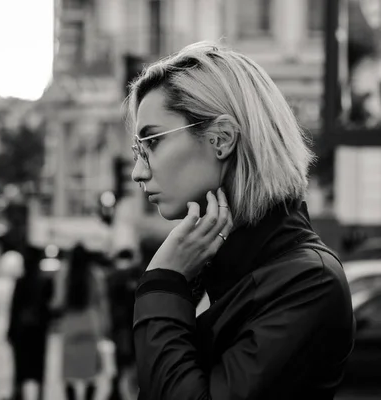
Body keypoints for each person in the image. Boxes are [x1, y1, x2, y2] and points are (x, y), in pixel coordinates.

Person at [125, 41, 355, 399]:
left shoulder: (310, 281)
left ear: (222, 138)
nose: (139, 172)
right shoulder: (209, 268)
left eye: (151, 143)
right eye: (138, 150)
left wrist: (162, 284)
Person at [56, 244, 109, 400]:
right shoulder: (94, 274)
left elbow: (58, 300)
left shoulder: (65, 273)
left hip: (70, 324)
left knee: (69, 372)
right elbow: (102, 301)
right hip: (90, 323)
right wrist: (105, 324)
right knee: (91, 371)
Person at [7, 246, 53, 400]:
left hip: (22, 329)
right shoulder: (44, 282)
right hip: (39, 330)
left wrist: (10, 330)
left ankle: (18, 393)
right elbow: (49, 308)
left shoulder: (21, 282)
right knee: (38, 364)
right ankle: (40, 394)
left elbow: (14, 308)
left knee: (20, 364)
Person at [106, 249, 141, 400]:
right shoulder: (135, 276)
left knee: (119, 360)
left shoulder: (112, 276)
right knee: (131, 359)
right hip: (130, 324)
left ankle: (116, 391)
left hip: (119, 324)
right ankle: (128, 390)